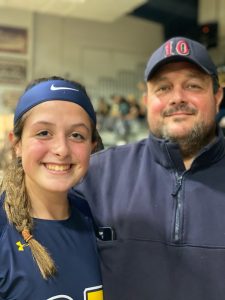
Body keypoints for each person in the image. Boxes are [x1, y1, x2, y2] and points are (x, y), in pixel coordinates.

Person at [71, 37, 225, 300]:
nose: (177, 98)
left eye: (192, 85)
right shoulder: (94, 176)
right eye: (163, 88)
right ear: (146, 100)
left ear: (218, 95)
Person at [0, 76, 104, 300]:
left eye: (77, 135)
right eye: (43, 133)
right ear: (17, 144)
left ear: (92, 146)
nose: (61, 149)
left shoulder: (102, 224)